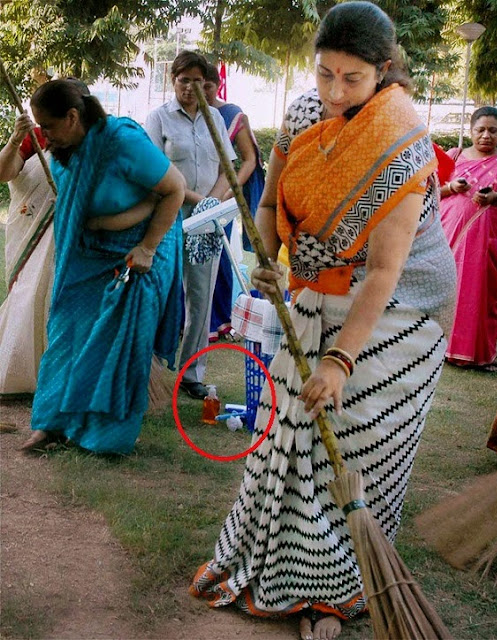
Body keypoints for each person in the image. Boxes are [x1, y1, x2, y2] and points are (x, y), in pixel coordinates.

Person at [190, 3, 457, 640]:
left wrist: (339, 361)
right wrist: (267, 258)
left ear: (384, 71)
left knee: (357, 445)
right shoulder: (305, 114)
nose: (335, 92)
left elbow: (384, 271)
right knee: (292, 433)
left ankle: (334, 590)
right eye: (325, 74)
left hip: (400, 311)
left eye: (352, 78)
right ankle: (276, 565)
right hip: (315, 292)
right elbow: (269, 202)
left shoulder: (401, 139)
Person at [21, 79, 185, 454]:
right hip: (88, 252)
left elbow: (175, 188)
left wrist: (146, 247)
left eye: (48, 126)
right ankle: (51, 425)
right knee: (66, 331)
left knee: (118, 343)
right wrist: (100, 223)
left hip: (139, 251)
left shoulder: (122, 141)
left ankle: (101, 436)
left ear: (72, 116)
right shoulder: (66, 151)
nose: (44, 135)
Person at [145, 51, 236, 399]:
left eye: (198, 81)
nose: (190, 87)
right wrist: (200, 202)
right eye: (184, 80)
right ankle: (148, 371)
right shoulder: (159, 118)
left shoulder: (216, 119)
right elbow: (155, 172)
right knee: (161, 294)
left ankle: (192, 373)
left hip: (206, 224)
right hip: (168, 220)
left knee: (201, 298)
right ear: (173, 81)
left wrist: (211, 204)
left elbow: (227, 169)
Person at [440, 107, 497, 372]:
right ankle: (439, 348)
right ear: (470, 131)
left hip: (489, 244)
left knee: (482, 296)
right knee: (447, 291)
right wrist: (451, 187)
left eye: (492, 131)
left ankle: (478, 355)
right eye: (480, 130)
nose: (486, 135)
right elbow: (428, 191)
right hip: (449, 238)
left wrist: (496, 198)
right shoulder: (454, 156)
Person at [203, 62, 265, 342]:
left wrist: (229, 192)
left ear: (218, 86)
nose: (201, 91)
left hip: (222, 197)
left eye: (207, 85)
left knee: (219, 258)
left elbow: (248, 160)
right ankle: (185, 321)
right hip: (188, 197)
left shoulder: (231, 115)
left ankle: (219, 321)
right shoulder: (183, 114)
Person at [0, 113, 54, 397]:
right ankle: (20, 373)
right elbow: (3, 173)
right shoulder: (36, 136)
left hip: (69, 235)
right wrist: (15, 139)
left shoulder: (91, 139)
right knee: (29, 292)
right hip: (32, 232)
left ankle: (57, 375)